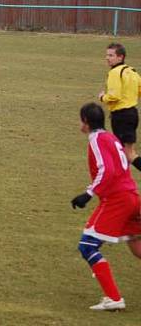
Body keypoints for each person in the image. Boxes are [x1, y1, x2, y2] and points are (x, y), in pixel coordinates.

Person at [71, 102, 141, 311]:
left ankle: (113, 298)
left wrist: (88, 193)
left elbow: (107, 170)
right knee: (137, 245)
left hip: (117, 200)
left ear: (85, 121)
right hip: (132, 196)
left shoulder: (96, 140)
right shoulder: (111, 137)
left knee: (88, 246)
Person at [99, 43, 141, 172]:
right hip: (133, 114)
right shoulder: (132, 71)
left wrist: (102, 97)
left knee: (128, 154)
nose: (107, 58)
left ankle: (121, 184)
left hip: (121, 116)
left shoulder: (115, 73)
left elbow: (114, 96)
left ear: (120, 57)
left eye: (111, 55)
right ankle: (122, 182)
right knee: (126, 153)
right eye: (107, 55)